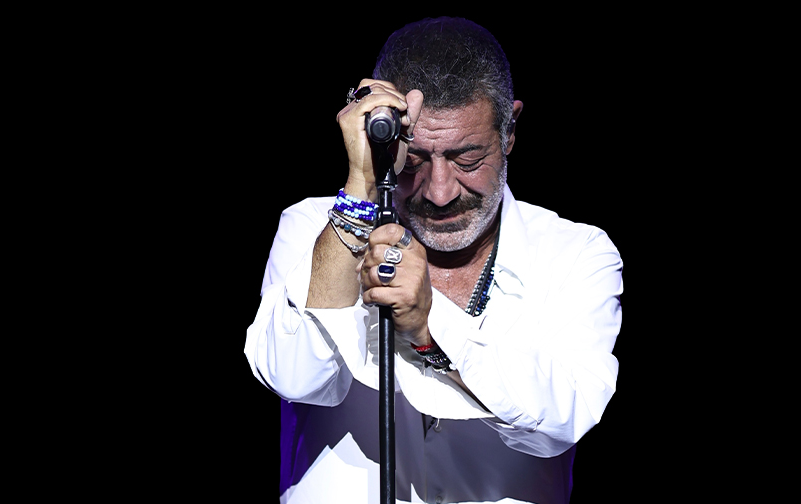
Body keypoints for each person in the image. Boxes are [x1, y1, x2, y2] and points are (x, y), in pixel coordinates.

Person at [245, 16, 623, 504]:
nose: (440, 192)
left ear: (509, 131)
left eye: (467, 160)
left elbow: (565, 418)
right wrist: (362, 183)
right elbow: (294, 377)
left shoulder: (575, 253)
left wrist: (428, 331)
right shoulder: (314, 228)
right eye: (416, 161)